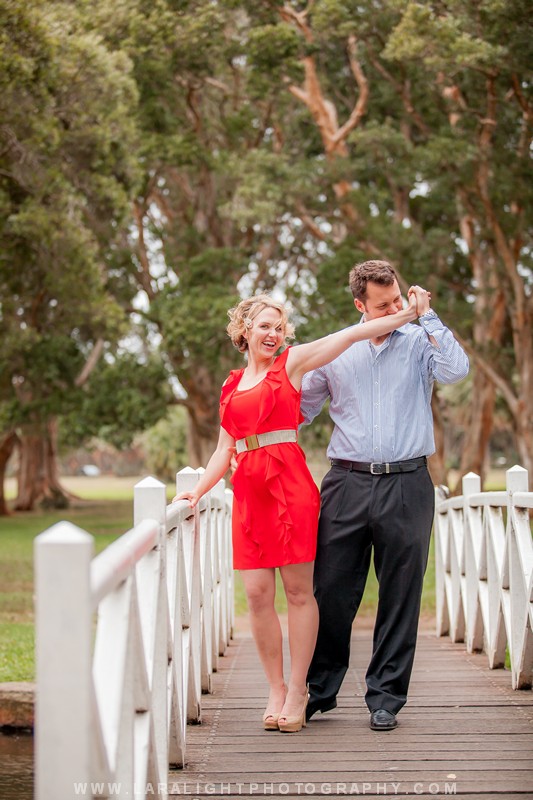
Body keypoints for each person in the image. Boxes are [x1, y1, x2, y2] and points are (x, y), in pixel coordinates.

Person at [172, 290, 419, 733]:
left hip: (289, 487)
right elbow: (222, 450)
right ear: (244, 331)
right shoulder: (231, 385)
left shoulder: (293, 363)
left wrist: (407, 314)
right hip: (249, 491)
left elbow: (355, 333)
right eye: (264, 326)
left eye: (279, 326)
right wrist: (195, 493)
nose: (273, 333)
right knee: (257, 597)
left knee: (300, 594)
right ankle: (276, 688)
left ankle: (300, 689)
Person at [300, 260, 469, 732]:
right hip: (346, 483)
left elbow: (457, 371)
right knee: (330, 591)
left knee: (401, 593)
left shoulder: (419, 342)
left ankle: (386, 697)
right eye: (384, 305)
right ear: (360, 305)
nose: (395, 308)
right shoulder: (336, 349)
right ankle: (320, 689)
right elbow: (300, 408)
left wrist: (426, 315)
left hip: (408, 483)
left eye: (397, 299)